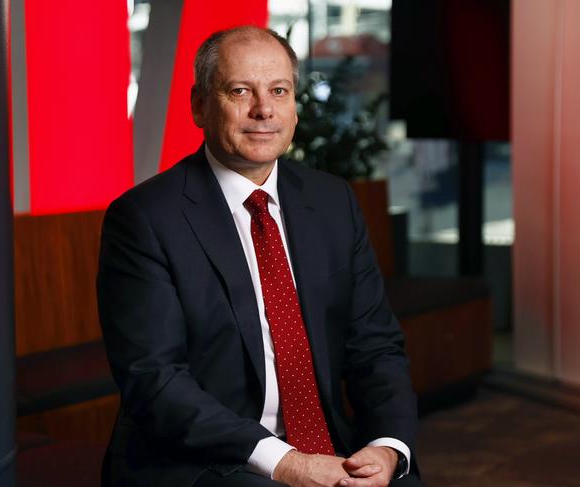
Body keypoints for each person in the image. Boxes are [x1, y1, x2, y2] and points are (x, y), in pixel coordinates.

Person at [97, 26, 422, 487]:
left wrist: (388, 447)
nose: (263, 110)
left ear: (293, 107)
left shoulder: (332, 202)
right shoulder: (145, 219)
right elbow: (156, 381)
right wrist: (286, 462)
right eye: (240, 91)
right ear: (199, 105)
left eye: (279, 91)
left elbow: (375, 345)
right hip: (201, 460)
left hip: (325, 446)